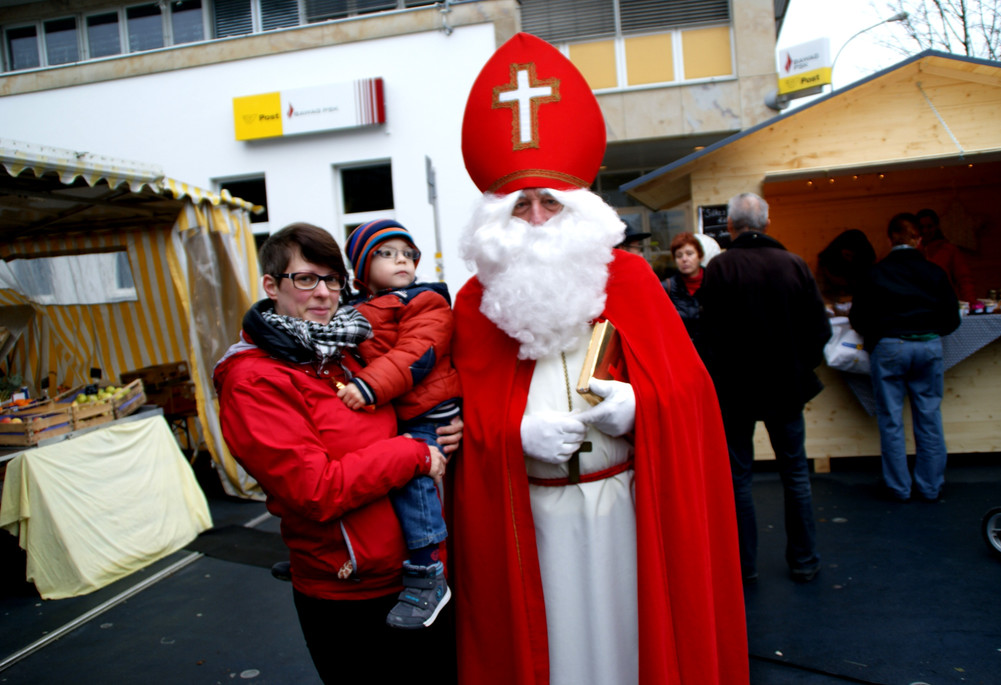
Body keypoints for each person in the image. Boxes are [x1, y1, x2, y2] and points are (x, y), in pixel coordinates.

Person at [451, 32, 748, 685]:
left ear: (577, 207)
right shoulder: (475, 304)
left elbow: (693, 399)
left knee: (632, 652)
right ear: (496, 218)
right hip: (530, 523)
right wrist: (512, 434)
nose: (535, 218)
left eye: (549, 201)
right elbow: (457, 422)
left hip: (626, 514)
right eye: (518, 205)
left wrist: (643, 408)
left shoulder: (634, 281)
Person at [213, 222, 460, 683]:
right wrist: (413, 453)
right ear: (271, 286)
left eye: (332, 279)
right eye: (306, 279)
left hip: (415, 574)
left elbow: (413, 384)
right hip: (352, 597)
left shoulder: (342, 349)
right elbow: (315, 490)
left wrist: (450, 425)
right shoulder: (253, 380)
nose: (324, 293)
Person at [700, 192, 833, 584]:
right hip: (786, 387)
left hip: (734, 390)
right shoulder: (793, 265)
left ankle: (744, 567)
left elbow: (708, 335)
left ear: (730, 226)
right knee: (795, 474)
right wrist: (799, 366)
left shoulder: (721, 268)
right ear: (767, 224)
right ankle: (804, 560)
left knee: (739, 478)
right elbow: (819, 330)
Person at [340, 218, 461, 629]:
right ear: (361, 267)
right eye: (387, 253)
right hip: (396, 410)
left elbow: (418, 351)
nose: (402, 261)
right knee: (366, 471)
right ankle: (336, 553)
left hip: (429, 412)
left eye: (408, 254)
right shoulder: (355, 310)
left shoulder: (425, 300)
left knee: (415, 481)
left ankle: (428, 571)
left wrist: (369, 386)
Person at [849, 213, 961, 502]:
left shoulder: (874, 273)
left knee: (891, 420)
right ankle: (930, 486)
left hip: (890, 347)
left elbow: (858, 318)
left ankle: (899, 488)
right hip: (928, 345)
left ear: (890, 239)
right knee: (929, 417)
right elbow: (952, 319)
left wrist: (880, 337)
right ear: (918, 239)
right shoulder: (934, 272)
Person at [916, 208, 976, 304]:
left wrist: (970, 302)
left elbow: (964, 279)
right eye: (921, 227)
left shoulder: (949, 250)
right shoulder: (913, 252)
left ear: (936, 226)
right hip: (919, 307)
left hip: (944, 304)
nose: (925, 230)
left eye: (929, 226)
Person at [661, 231, 707, 356]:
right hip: (682, 356)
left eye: (689, 253)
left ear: (700, 256)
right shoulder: (666, 288)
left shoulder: (715, 281)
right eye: (679, 255)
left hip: (712, 359)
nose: (684, 259)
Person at [815, 228, 876, 306]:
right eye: (847, 255)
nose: (849, 259)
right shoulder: (827, 260)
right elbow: (820, 292)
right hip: (832, 303)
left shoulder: (866, 262)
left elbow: (869, 291)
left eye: (853, 256)